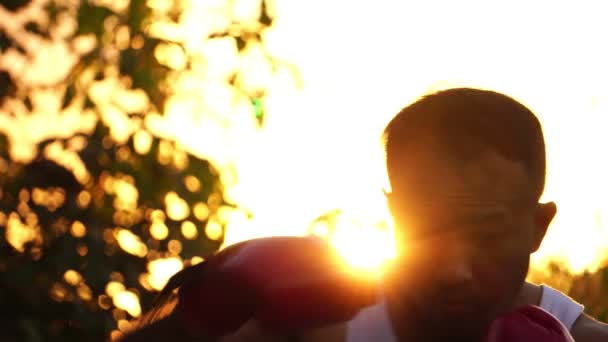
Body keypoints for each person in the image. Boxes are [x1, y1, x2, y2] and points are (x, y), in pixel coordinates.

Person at [125, 88, 608, 341]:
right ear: (395, 214)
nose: (456, 268)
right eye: (432, 230)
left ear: (538, 226)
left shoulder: (572, 338)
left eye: (487, 233)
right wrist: (194, 323)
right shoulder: (319, 319)